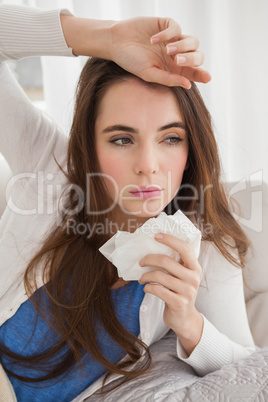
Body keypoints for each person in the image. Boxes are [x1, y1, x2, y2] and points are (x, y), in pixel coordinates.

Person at [0, 4, 256, 402]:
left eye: (171, 138)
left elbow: (247, 369)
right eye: (122, 139)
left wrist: (189, 322)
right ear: (90, 142)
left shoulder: (203, 244)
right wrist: (107, 39)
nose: (149, 168)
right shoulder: (49, 171)